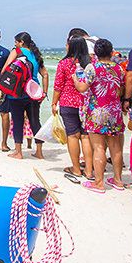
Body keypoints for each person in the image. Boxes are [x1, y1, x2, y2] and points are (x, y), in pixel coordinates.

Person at [78, 38, 127, 192]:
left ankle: (99, 183)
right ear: (111, 52)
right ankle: (118, 180)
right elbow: (122, 88)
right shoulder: (119, 68)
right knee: (115, 147)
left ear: (96, 52)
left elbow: (82, 87)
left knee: (98, 147)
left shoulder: (92, 67)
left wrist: (75, 79)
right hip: (114, 111)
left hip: (97, 110)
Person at [0, 32, 49, 160]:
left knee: (17, 121)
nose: (15, 44)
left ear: (21, 42)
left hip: (17, 93)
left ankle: (18, 152)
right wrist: (44, 92)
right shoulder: (36, 54)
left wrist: (2, 86)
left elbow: (5, 68)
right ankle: (39, 152)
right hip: (33, 93)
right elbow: (45, 74)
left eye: (16, 42)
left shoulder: (16, 51)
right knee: (35, 121)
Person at [52, 36, 93, 182]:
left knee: (73, 135)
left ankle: (76, 168)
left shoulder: (64, 63)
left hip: (68, 102)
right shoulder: (90, 63)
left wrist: (54, 103)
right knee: (86, 136)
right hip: (86, 104)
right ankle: (89, 170)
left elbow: (58, 85)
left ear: (71, 46)